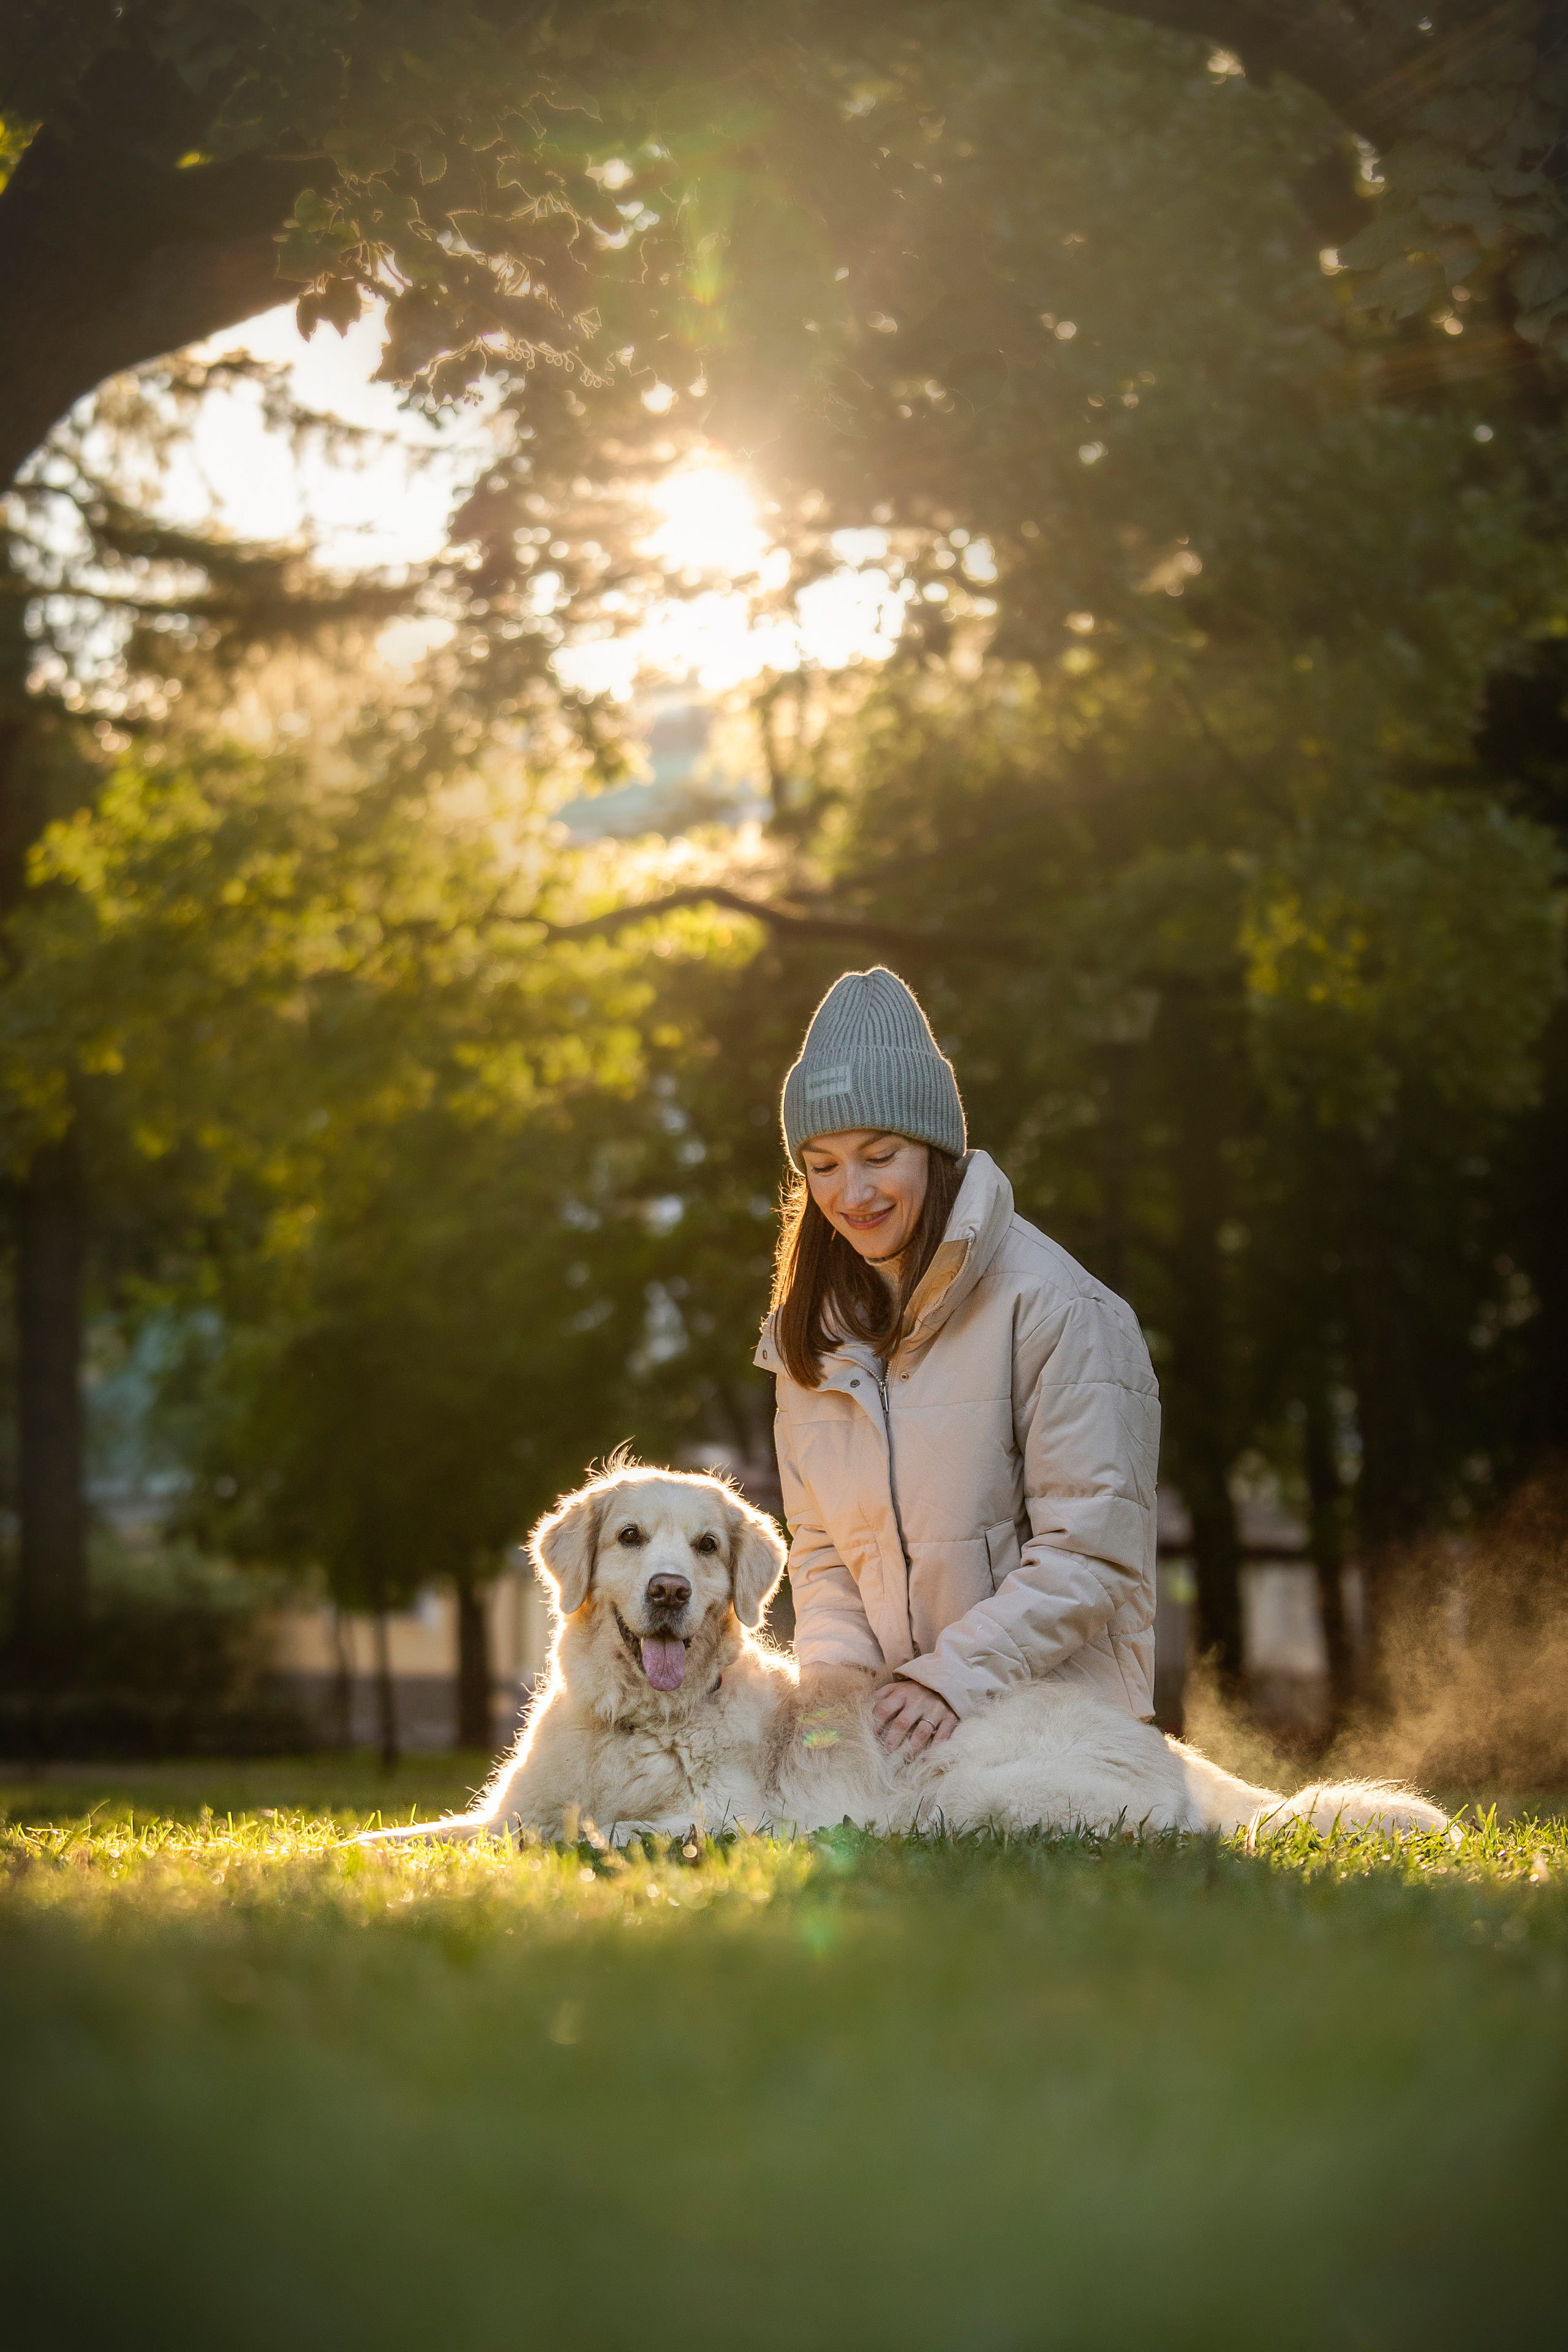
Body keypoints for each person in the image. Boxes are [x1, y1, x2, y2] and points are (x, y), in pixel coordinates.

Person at [755, 967, 1159, 1758]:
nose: (852, 1193)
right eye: (823, 1165)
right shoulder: (810, 1338)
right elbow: (825, 1553)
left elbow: (1091, 1552)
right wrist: (834, 1706)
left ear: (934, 1150)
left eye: (879, 1155)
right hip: (902, 1731)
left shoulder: (1056, 1307)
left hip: (1051, 1731)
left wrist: (950, 1681)